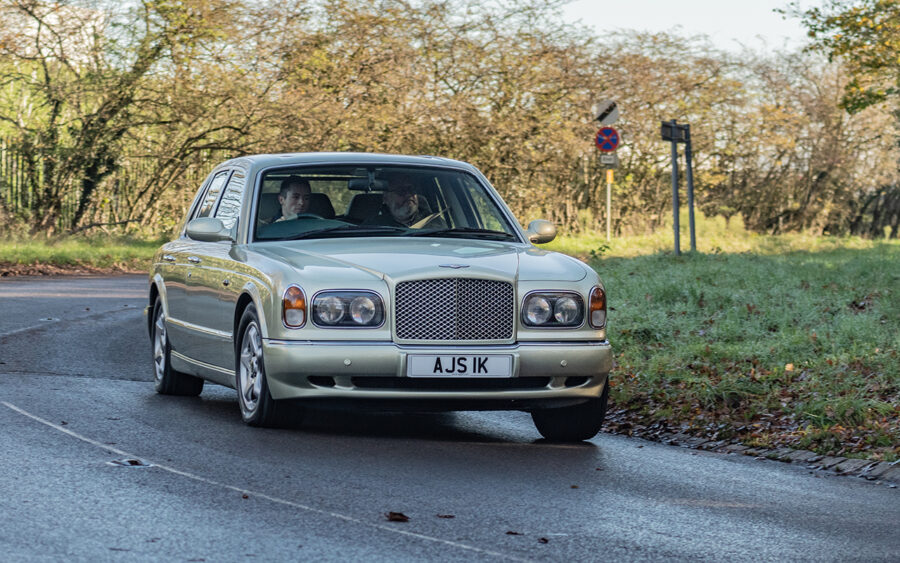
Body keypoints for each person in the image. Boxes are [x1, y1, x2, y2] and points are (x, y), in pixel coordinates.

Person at [365, 175, 444, 228]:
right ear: (386, 198)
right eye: (401, 191)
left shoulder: (434, 222)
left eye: (411, 189)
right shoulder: (374, 226)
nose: (408, 194)